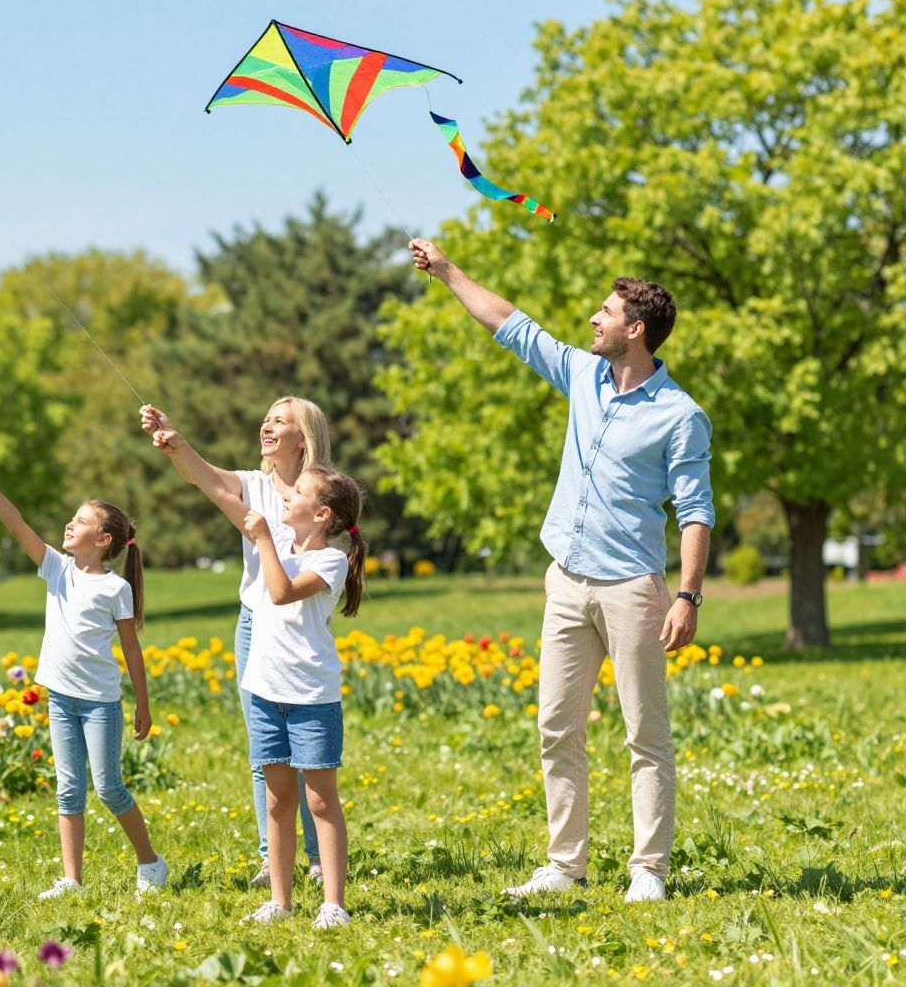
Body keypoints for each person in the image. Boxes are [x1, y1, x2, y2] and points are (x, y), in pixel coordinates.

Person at [408, 238, 714, 903]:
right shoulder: (582, 375)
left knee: (645, 734)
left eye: (606, 312)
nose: (593, 319)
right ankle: (564, 865)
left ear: (636, 329)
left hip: (633, 589)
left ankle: (648, 870)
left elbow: (695, 513)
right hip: (567, 581)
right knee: (555, 727)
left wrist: (687, 596)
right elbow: (511, 325)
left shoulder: (681, 416)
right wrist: (447, 271)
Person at [158, 435, 364, 929]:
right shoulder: (281, 545)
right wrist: (178, 447)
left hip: (310, 697)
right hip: (266, 692)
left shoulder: (329, 561)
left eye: (297, 495)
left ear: (322, 515)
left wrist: (265, 540)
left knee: (320, 799)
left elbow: (282, 592)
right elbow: (220, 493)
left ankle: (333, 904)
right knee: (277, 799)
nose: (286, 497)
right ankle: (280, 901)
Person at [140, 398, 332, 888]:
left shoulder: (320, 492)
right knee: (265, 749)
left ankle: (317, 858)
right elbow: (203, 477)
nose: (266, 425)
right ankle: (273, 858)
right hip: (254, 624)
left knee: (306, 753)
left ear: (303, 438)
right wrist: (174, 441)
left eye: (279, 421)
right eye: (266, 418)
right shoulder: (254, 483)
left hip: (297, 629)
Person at [0, 456, 168, 899]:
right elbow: (15, 522)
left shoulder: (115, 588)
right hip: (60, 699)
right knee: (69, 789)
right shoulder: (57, 567)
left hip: (99, 704)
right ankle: (71, 880)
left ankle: (150, 862)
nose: (70, 524)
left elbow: (132, 650)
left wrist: (143, 704)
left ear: (103, 539)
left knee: (109, 789)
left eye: (81, 521)